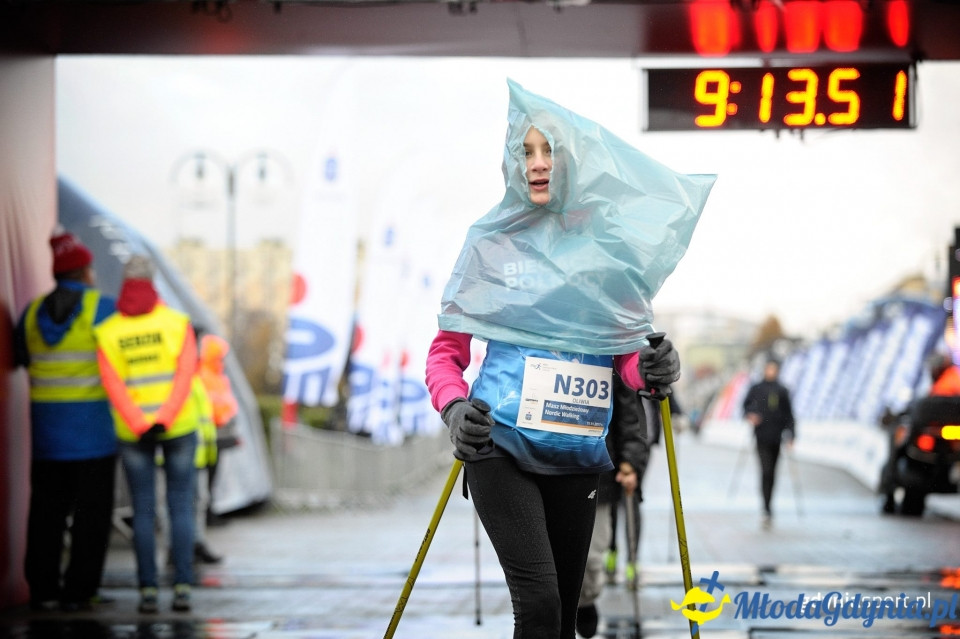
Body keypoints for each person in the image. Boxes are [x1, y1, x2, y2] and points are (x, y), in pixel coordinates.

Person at [425, 80, 713, 639]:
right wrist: (456, 409)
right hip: (500, 445)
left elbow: (627, 358)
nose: (536, 164)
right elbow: (445, 354)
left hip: (578, 455)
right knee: (538, 604)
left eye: (549, 151)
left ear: (573, 162)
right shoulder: (492, 244)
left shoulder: (605, 254)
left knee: (564, 612)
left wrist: (652, 367)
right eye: (524, 152)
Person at [13, 231, 118, 612]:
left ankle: (42, 590)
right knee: (92, 517)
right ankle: (80, 590)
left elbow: (22, 359)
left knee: (45, 515)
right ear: (86, 271)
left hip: (47, 437)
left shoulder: (30, 313)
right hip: (94, 435)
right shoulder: (102, 309)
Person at [93, 255, 201, 613]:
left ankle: (148, 592)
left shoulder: (108, 332)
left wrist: (140, 423)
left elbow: (114, 386)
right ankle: (183, 585)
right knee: (180, 505)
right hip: (178, 428)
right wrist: (164, 419)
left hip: (132, 432)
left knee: (142, 511)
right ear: (152, 281)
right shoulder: (176, 323)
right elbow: (186, 375)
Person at [576, 375, 650, 638]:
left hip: (598, 473)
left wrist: (631, 461)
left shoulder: (610, 350)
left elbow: (631, 418)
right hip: (542, 467)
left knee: (592, 558)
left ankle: (584, 600)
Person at [741, 358, 795, 528]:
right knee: (765, 471)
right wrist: (750, 415)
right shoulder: (756, 388)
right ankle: (765, 507)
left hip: (777, 437)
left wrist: (792, 435)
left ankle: (769, 504)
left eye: (773, 369)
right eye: (768, 368)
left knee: (772, 473)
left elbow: (790, 415)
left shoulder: (782, 390)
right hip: (761, 436)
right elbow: (745, 406)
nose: (770, 371)